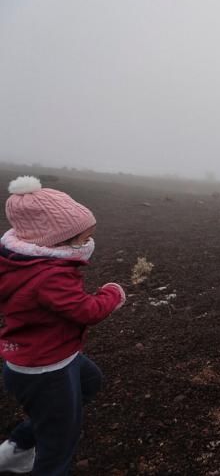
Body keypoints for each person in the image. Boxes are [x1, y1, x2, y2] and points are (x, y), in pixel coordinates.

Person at [0, 176, 126, 475]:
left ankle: (16, 449)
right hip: (47, 368)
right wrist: (113, 294)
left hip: (40, 358)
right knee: (58, 443)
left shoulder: (22, 263)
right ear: (55, 240)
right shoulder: (49, 275)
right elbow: (86, 311)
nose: (89, 244)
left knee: (89, 381)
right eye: (83, 239)